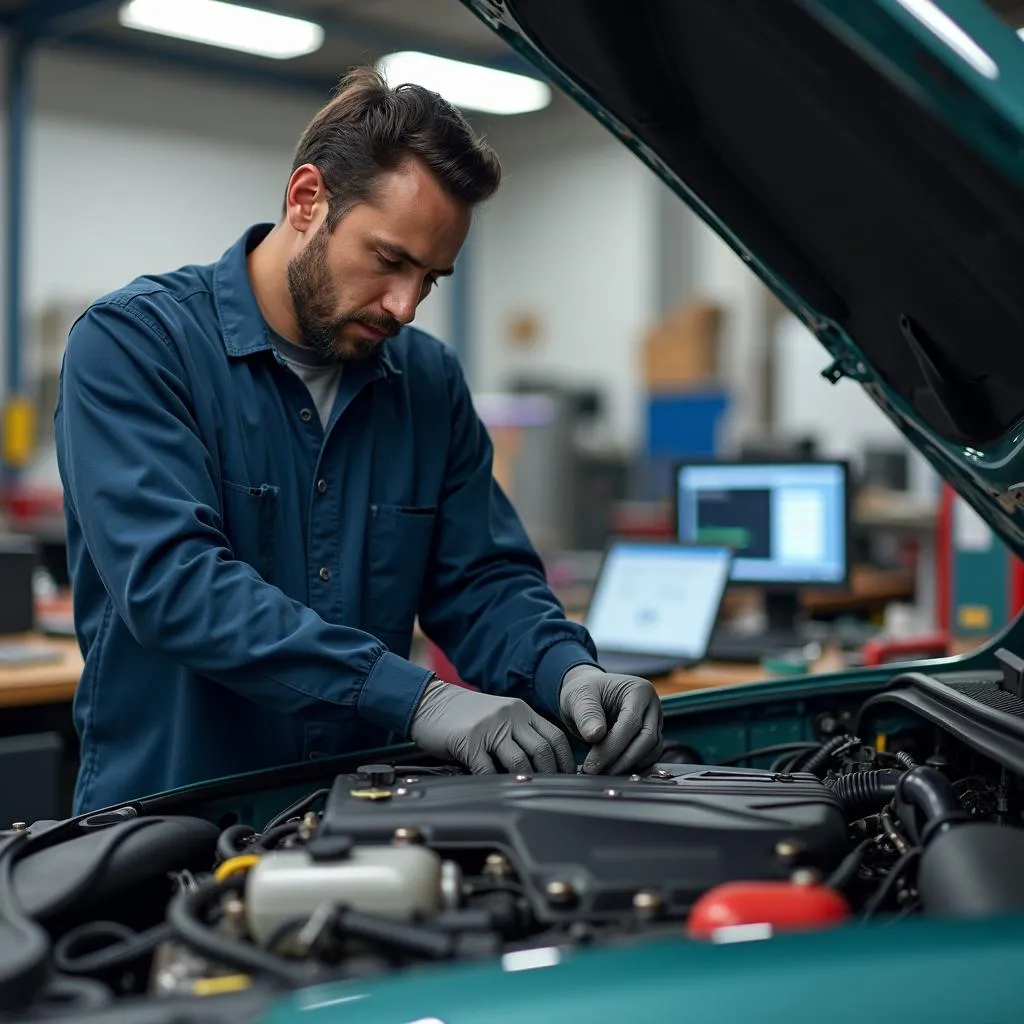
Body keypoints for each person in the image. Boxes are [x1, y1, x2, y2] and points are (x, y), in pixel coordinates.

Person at [55, 67, 663, 815]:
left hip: (358, 822)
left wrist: (566, 670)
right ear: (307, 200)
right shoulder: (136, 346)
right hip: (170, 826)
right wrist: (417, 699)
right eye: (389, 261)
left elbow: (480, 581)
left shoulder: (427, 382)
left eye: (431, 279)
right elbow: (175, 586)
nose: (405, 305)